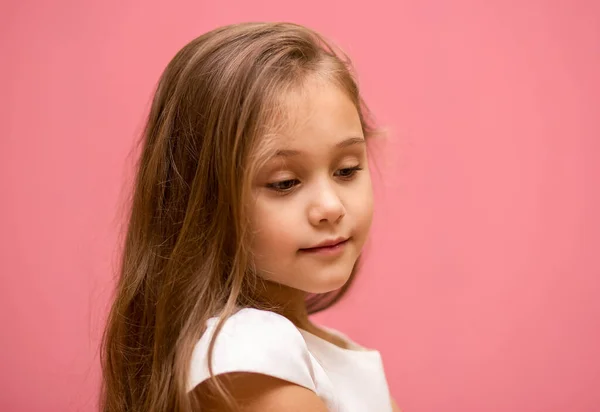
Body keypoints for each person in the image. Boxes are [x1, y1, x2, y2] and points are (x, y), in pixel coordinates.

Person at [100, 21, 400, 412]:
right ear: (202, 200)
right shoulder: (250, 353)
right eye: (285, 182)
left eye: (346, 170)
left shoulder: (310, 350)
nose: (330, 207)